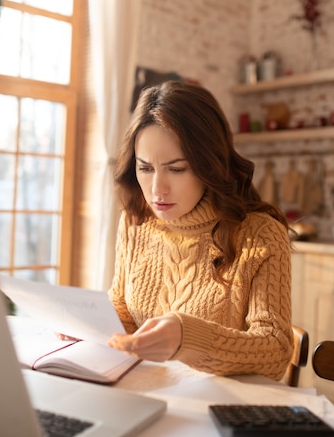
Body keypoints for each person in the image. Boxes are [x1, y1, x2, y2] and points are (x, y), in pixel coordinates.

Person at [107, 81, 293, 381]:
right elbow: (124, 313)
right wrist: (85, 326)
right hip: (150, 391)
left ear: (210, 164)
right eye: (145, 168)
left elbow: (276, 350)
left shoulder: (260, 235)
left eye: (176, 169)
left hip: (222, 406)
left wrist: (188, 338)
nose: (157, 190)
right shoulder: (136, 220)